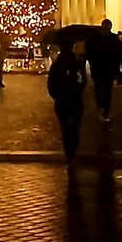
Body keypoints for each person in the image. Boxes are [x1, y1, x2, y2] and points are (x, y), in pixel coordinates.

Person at [47, 38, 87, 167]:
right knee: (75, 128)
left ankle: (69, 156)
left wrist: (57, 95)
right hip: (76, 100)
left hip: (61, 101)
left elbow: (51, 86)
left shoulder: (56, 64)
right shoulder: (77, 63)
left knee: (65, 129)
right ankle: (73, 153)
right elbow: (83, 81)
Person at [86, 19, 122, 121]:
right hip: (109, 69)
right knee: (107, 91)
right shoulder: (114, 38)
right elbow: (119, 54)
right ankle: (106, 111)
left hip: (97, 67)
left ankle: (100, 105)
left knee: (98, 88)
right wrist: (117, 69)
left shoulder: (94, 38)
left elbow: (88, 52)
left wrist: (91, 61)